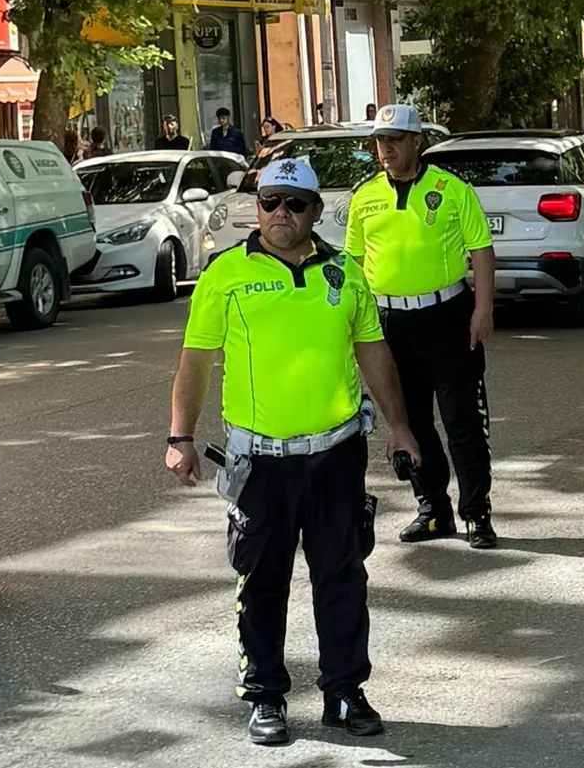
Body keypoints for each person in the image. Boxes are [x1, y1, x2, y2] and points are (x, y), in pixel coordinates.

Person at [164, 157, 420, 745]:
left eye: (295, 203)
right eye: (270, 201)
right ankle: (265, 696)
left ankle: (345, 690)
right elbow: (196, 362)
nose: (281, 213)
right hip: (260, 460)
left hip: (336, 453)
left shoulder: (346, 273)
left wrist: (400, 427)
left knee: (342, 576)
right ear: (257, 207)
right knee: (260, 581)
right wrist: (180, 436)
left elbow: (374, 352)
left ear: (315, 211)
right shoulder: (225, 274)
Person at [345, 104, 500, 549]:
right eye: (380, 140)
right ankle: (433, 508)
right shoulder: (365, 196)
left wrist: (483, 308)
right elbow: (354, 264)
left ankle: (477, 513)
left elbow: (482, 250)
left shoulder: (451, 188)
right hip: (389, 323)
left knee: (462, 421)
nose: (386, 148)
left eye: (395, 139)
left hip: (448, 316)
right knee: (409, 422)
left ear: (417, 142)